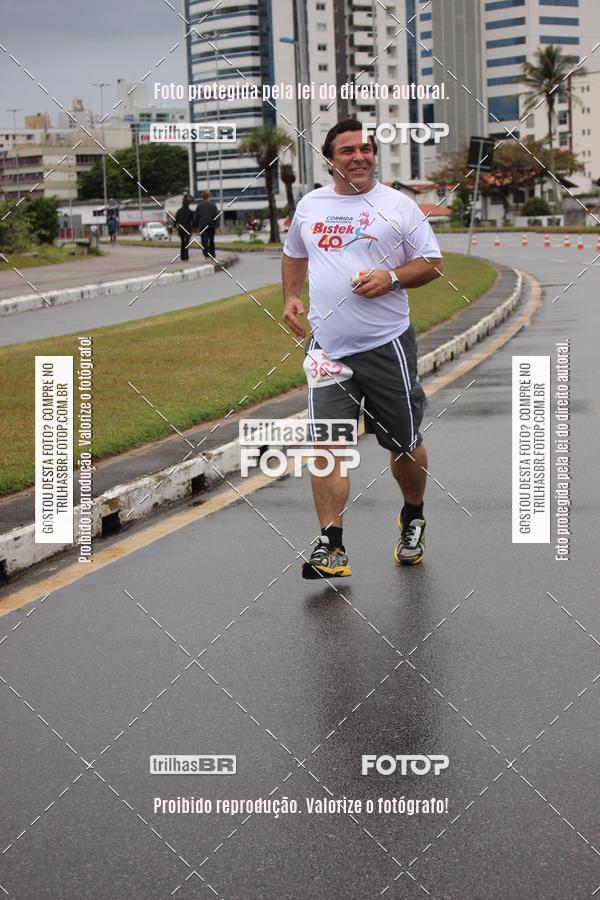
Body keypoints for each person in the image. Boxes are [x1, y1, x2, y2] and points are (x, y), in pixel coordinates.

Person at [282, 119, 443, 579]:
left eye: (366, 149)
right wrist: (291, 296)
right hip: (327, 348)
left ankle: (413, 515)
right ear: (330, 159)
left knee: (404, 446)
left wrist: (390, 277)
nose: (359, 156)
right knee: (327, 446)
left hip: (386, 344)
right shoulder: (311, 205)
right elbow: (294, 252)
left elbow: (432, 263)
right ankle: (331, 546)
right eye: (348, 150)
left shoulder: (398, 206)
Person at [193, 191, 219, 259]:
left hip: (203, 225)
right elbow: (216, 215)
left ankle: (206, 254)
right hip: (211, 225)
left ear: (202, 197)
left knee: (204, 241)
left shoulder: (199, 205)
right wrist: (217, 225)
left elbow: (196, 216)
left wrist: (195, 226)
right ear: (209, 196)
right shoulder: (213, 205)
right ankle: (212, 254)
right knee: (211, 240)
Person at [175, 195, 194, 260]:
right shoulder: (190, 212)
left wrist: (174, 227)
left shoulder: (179, 211)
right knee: (187, 242)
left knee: (182, 242)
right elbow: (193, 221)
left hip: (181, 229)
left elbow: (176, 220)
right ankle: (186, 255)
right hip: (188, 229)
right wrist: (195, 227)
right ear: (188, 204)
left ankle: (182, 256)